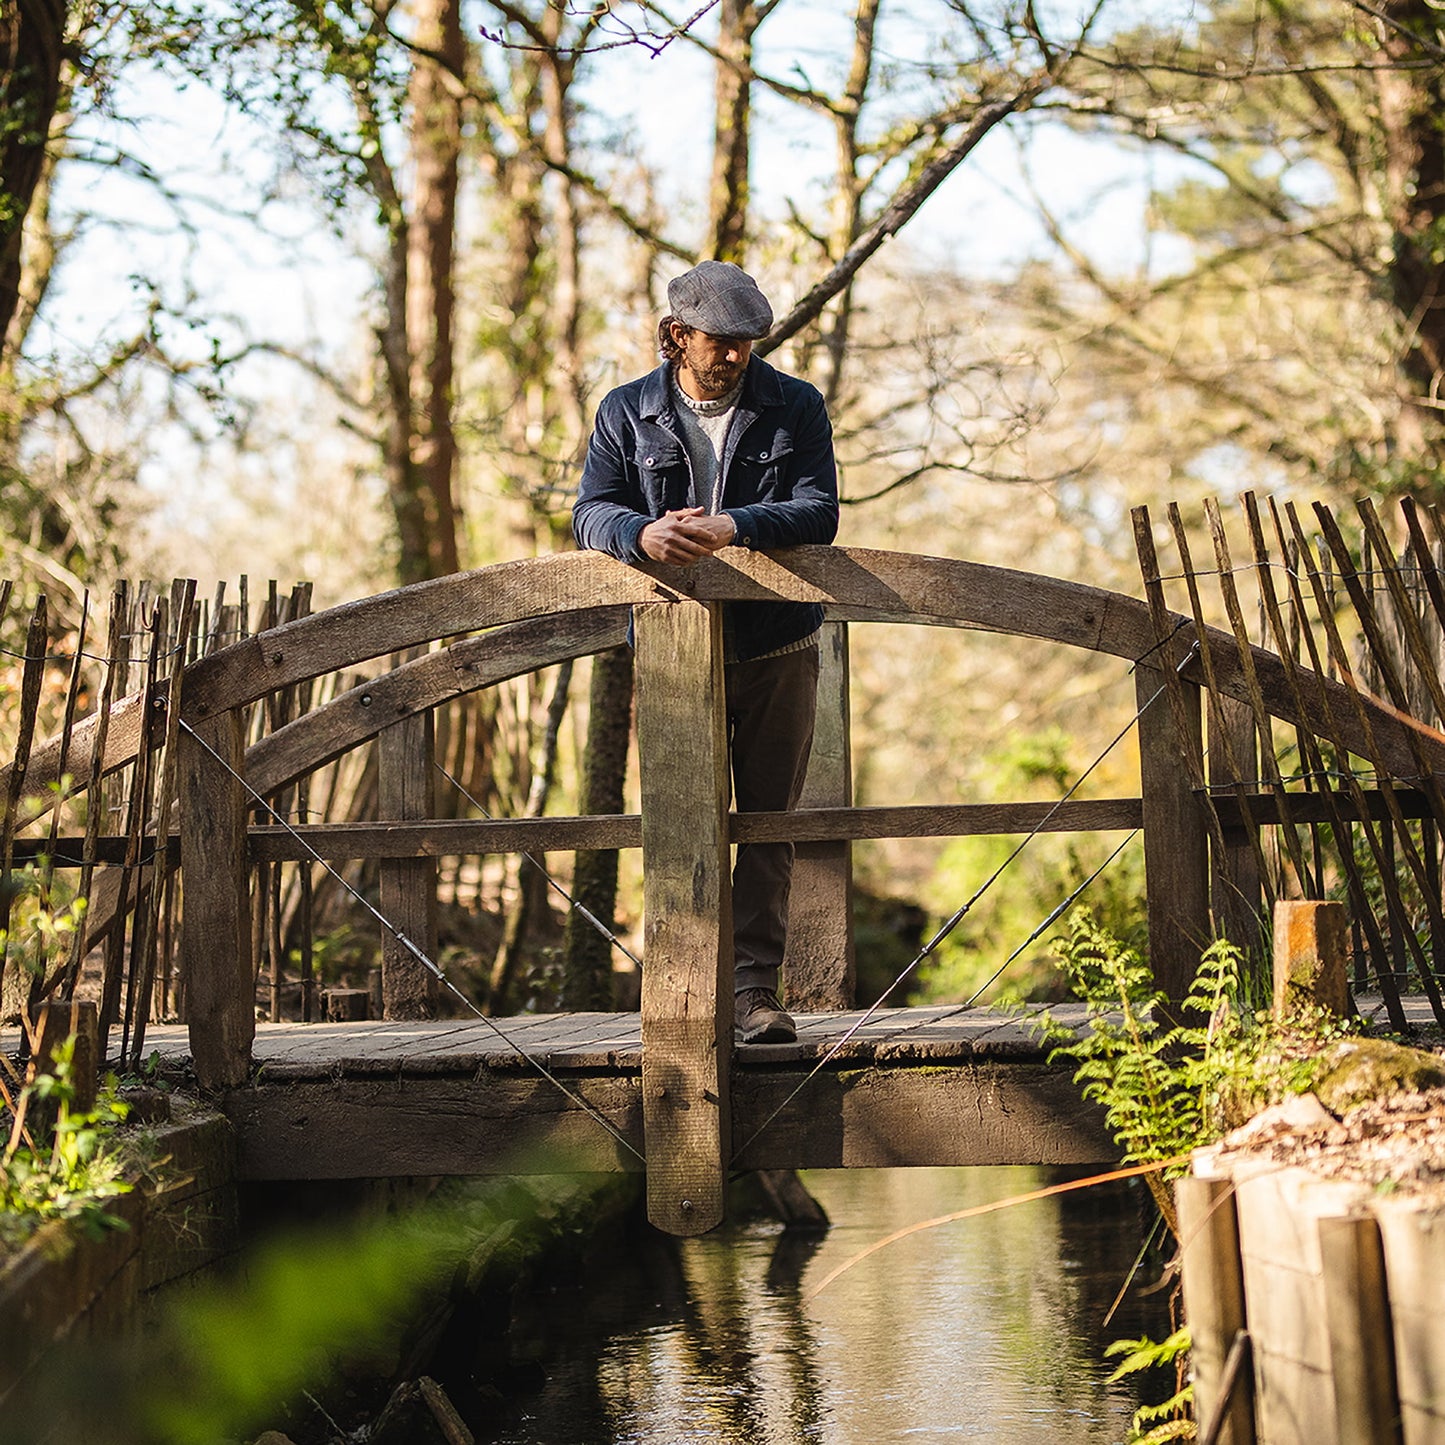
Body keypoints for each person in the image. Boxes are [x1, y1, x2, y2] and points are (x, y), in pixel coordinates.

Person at [573, 260, 840, 1043]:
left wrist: (739, 523)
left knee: (766, 823)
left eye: (746, 343)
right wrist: (639, 534)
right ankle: (685, 994)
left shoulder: (795, 406)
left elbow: (818, 511)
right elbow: (591, 510)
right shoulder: (625, 412)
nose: (733, 356)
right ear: (676, 334)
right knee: (679, 819)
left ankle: (755, 996)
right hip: (671, 648)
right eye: (718, 341)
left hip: (776, 641)